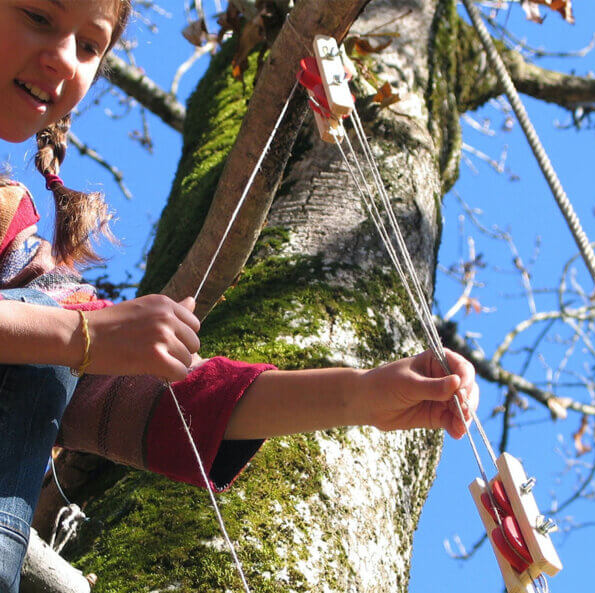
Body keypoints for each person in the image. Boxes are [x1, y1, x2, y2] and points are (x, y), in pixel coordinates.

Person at [0, 1, 480, 591]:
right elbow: (71, 340)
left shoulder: (16, 242)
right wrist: (82, 337)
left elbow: (150, 397)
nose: (62, 58)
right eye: (38, 16)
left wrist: (361, 397)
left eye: (89, 47)